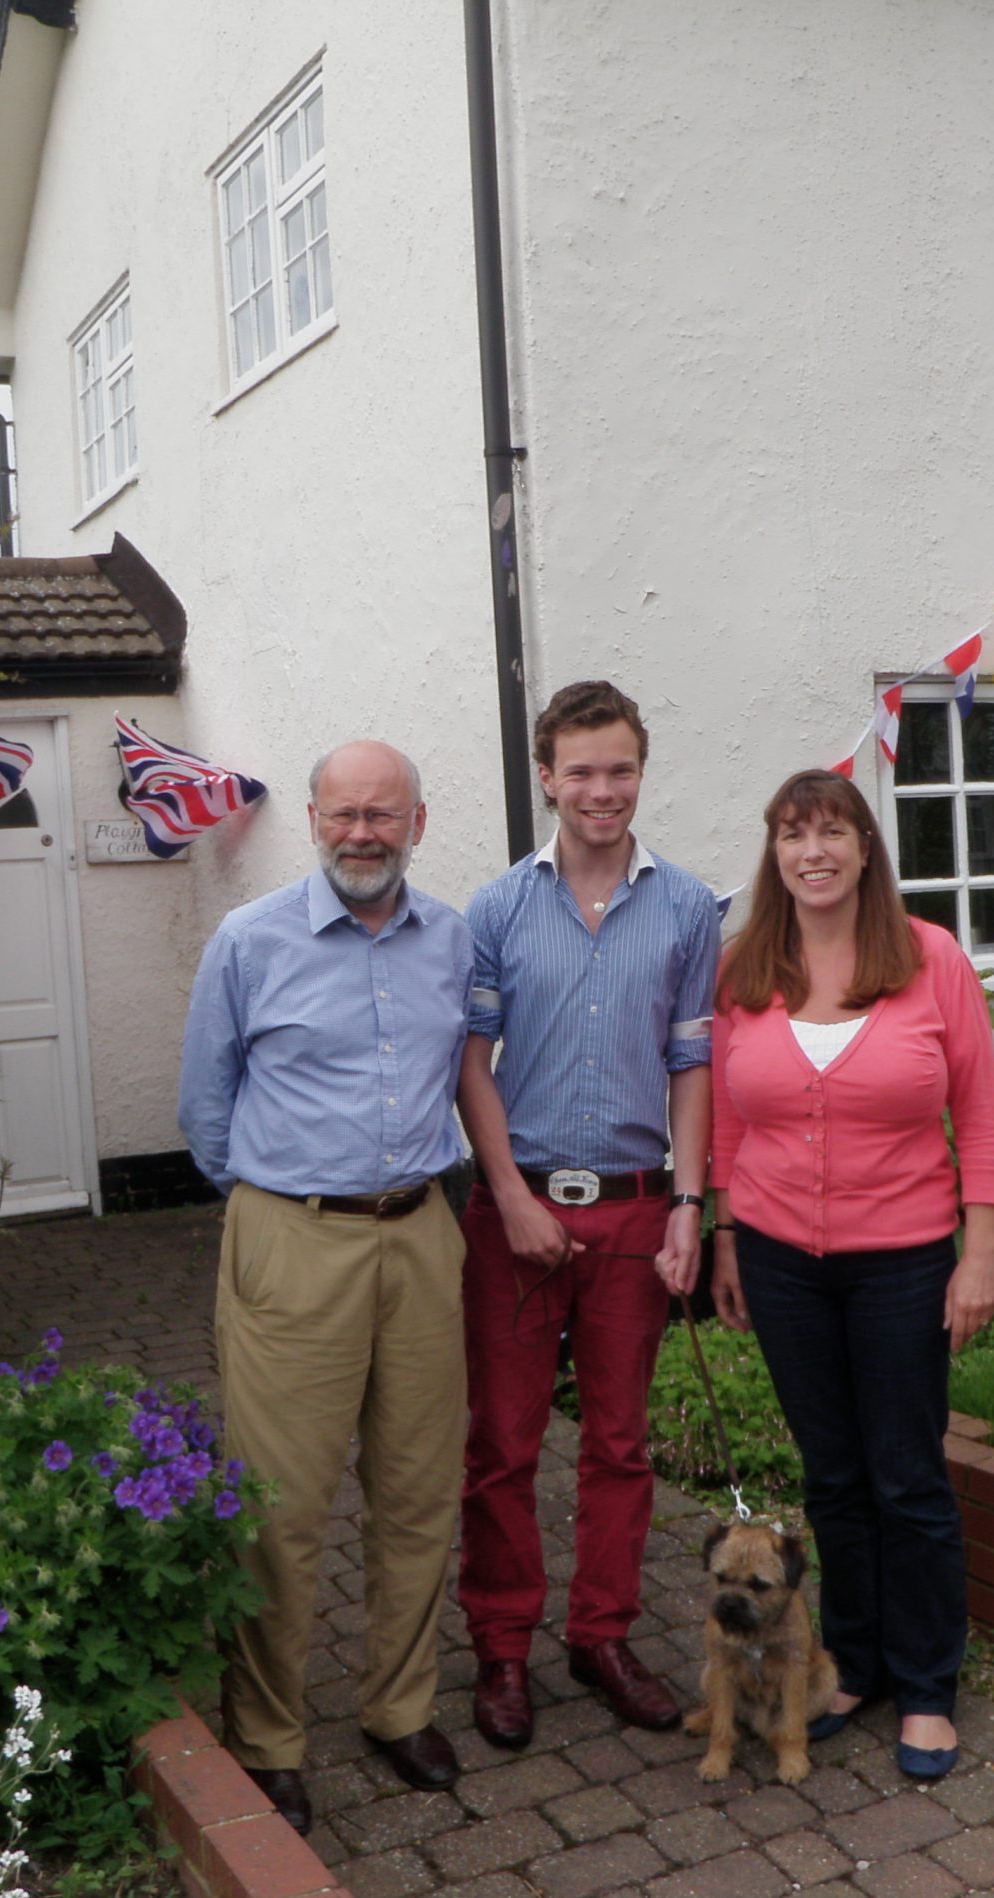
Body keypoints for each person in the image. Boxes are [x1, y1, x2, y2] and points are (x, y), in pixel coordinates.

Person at [177, 739, 473, 1836]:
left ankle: (399, 1709)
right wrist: (279, 1206)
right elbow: (205, 1111)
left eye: (383, 815)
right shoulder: (248, 942)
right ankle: (266, 1735)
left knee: (413, 1487)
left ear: (418, 823)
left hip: (422, 1232)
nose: (363, 832)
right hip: (292, 1236)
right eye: (343, 814)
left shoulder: (451, 941)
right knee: (280, 1503)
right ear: (310, 821)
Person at [706, 768, 994, 1782]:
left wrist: (979, 1253)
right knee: (832, 1479)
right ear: (774, 854)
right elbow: (728, 1126)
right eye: (793, 834)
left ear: (864, 847)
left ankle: (927, 1688)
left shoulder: (928, 959)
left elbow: (978, 1117)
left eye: (832, 831)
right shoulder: (746, 965)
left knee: (907, 1478)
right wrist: (725, 1241)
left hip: (904, 1265)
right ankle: (859, 1663)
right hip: (782, 1263)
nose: (813, 851)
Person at [455, 681, 720, 1747]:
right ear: (546, 778)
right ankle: (503, 1648)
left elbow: (692, 1065)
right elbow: (468, 1065)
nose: (600, 790)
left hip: (632, 1213)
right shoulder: (496, 910)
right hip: (513, 1217)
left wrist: (689, 1208)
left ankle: (600, 1635)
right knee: (502, 1447)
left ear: (639, 772)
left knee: (619, 1444)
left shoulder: (690, 907)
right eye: (581, 771)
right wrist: (510, 1195)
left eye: (619, 769)